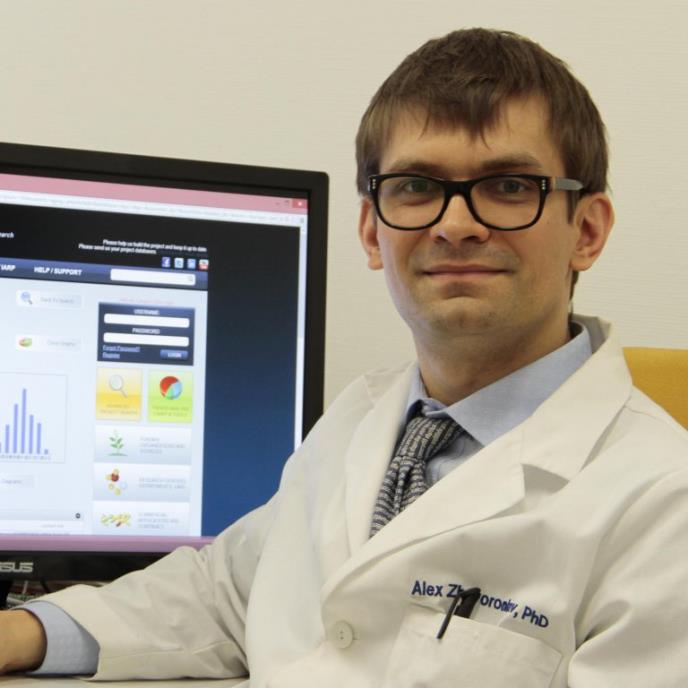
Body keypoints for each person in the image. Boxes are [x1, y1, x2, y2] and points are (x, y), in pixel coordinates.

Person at [2, 27, 687, 687]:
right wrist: (25, 632)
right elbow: (222, 591)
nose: (455, 225)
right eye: (416, 187)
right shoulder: (362, 422)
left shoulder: (661, 507)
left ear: (587, 230)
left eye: (509, 186)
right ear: (371, 229)